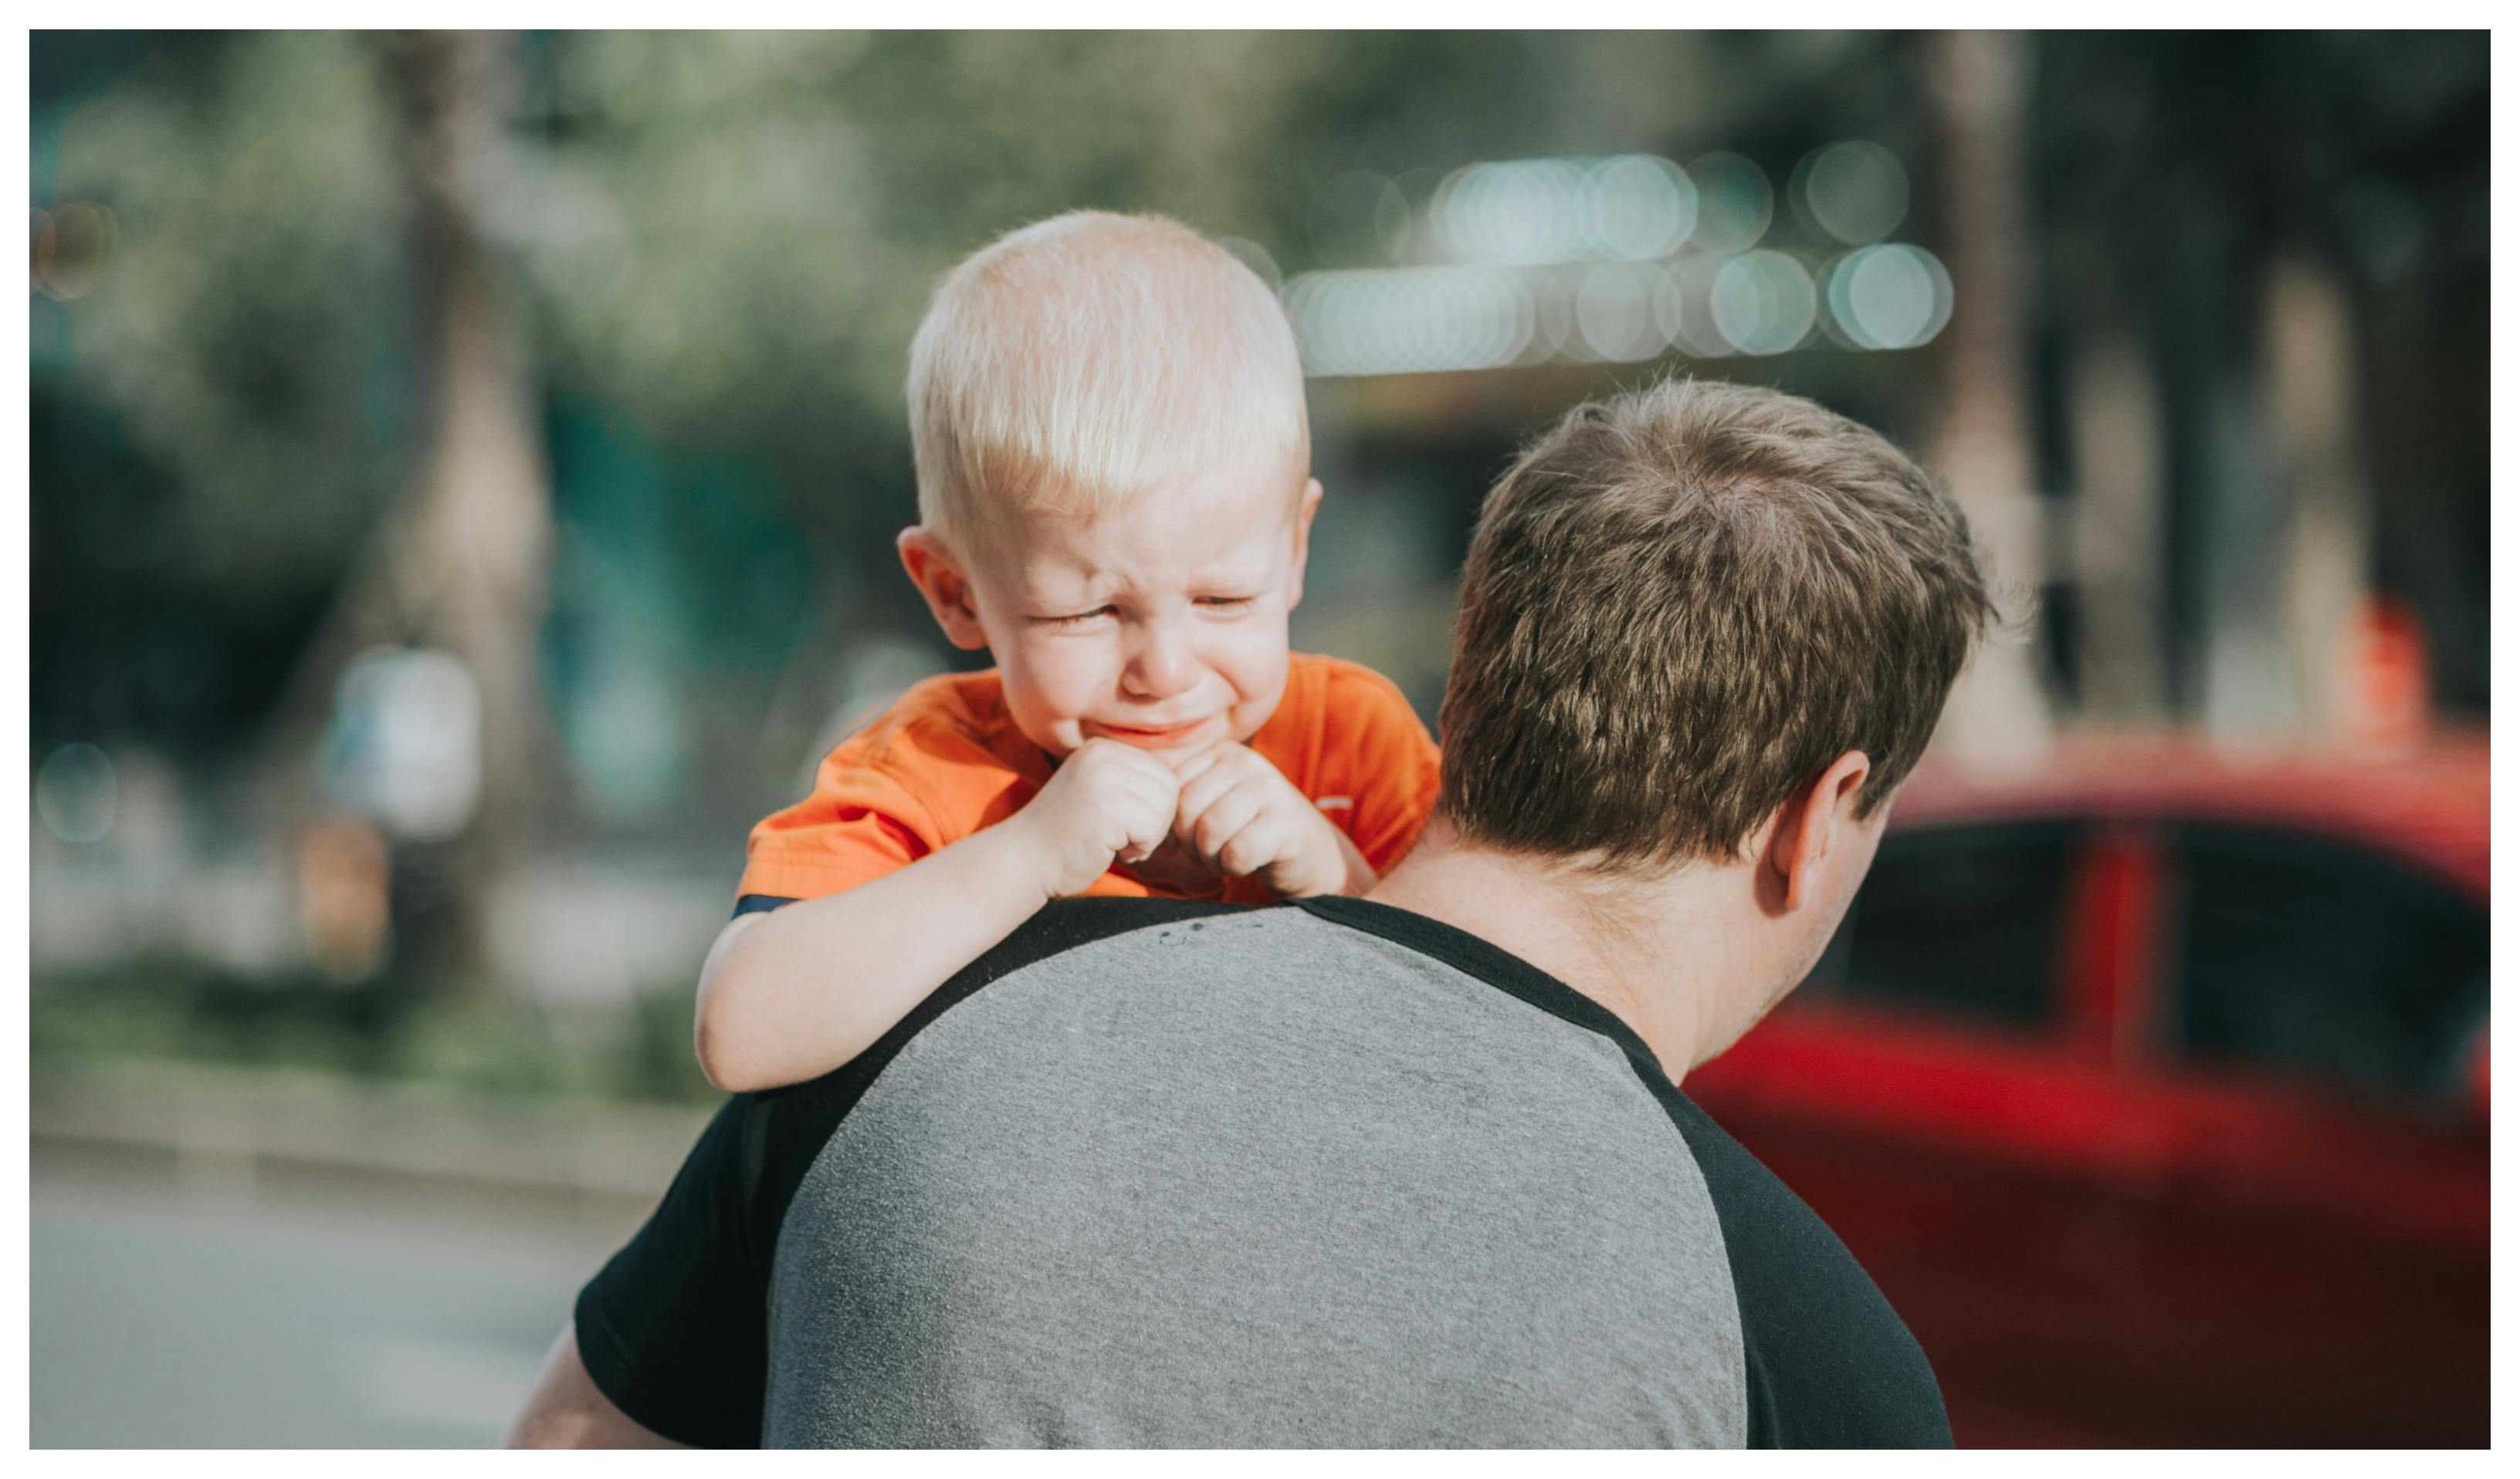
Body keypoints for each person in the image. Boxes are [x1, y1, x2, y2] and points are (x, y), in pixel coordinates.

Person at [510, 377, 1993, 1448]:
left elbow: (570, 1441)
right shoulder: (1808, 1358)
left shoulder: (897, 1043)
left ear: (1474, 686)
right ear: (1813, 819)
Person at [690, 211, 1441, 1095]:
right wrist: (1026, 854)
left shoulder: (1353, 741)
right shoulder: (931, 769)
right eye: (1087, 612)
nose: (1164, 671)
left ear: (1296, 549)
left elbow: (1491, 1030)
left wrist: (1336, 875)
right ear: (954, 592)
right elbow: (744, 1033)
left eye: (1222, 598)